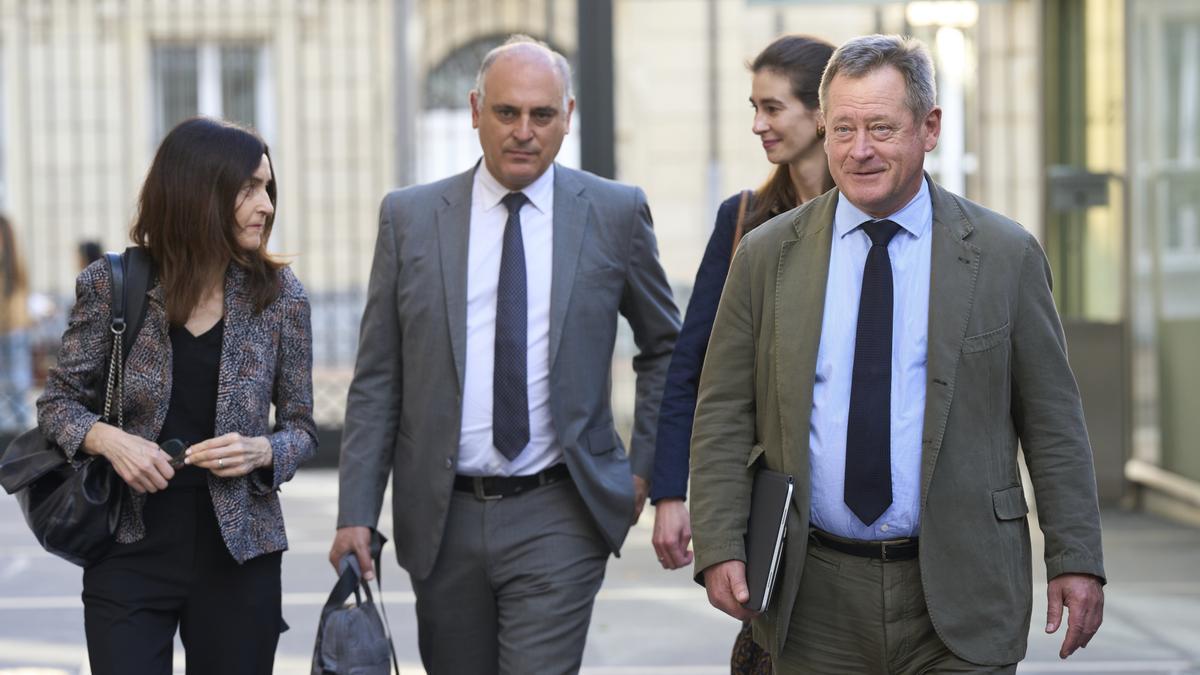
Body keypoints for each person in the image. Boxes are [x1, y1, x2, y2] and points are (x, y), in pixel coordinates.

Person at [689, 34, 1106, 674]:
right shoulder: (767, 256)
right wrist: (720, 542)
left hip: (963, 589)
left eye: (881, 128)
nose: (859, 150)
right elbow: (723, 410)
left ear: (929, 127)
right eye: (843, 128)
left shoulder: (1004, 255)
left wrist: (1075, 557)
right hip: (814, 598)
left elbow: (1053, 421)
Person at [329, 34, 680, 674]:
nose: (524, 131)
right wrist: (356, 512)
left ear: (567, 117)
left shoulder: (614, 213)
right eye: (506, 112)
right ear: (474, 111)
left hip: (561, 510)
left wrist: (642, 470)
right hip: (443, 516)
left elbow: (665, 346)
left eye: (542, 115)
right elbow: (378, 378)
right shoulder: (409, 218)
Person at [36, 116, 317, 675]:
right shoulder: (112, 284)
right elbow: (57, 405)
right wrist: (110, 441)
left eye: (268, 188)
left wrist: (263, 451)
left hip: (241, 552)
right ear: (198, 191)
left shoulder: (280, 295)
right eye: (249, 189)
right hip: (127, 545)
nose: (266, 205)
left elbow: (303, 428)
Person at [648, 34, 834, 673]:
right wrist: (670, 493)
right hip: (771, 497)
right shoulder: (743, 221)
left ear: (822, 113)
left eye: (773, 108)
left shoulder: (878, 219)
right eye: (754, 107)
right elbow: (692, 366)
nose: (758, 124)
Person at [0, 214, 34, 434]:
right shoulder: (13, 264)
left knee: (17, 385)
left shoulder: (13, 264)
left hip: (13, 331)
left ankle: (18, 433)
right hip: (11, 329)